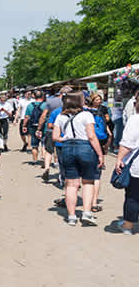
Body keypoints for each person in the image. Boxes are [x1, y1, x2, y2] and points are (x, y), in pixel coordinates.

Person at [53, 91, 104, 226]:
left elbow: (55, 137)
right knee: (88, 182)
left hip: (68, 148)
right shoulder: (87, 115)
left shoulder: (60, 117)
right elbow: (92, 136)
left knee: (71, 184)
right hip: (85, 147)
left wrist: (66, 138)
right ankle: (87, 213)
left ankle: (71, 216)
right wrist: (100, 154)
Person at [111, 98, 139, 234]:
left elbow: (127, 143)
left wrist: (119, 159)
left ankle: (128, 226)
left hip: (137, 165)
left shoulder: (135, 119)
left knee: (133, 196)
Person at [89, 92, 111, 213]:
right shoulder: (101, 110)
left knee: (86, 177)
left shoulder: (85, 112)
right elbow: (107, 126)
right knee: (96, 176)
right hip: (100, 142)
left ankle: (88, 202)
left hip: (88, 144)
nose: (98, 100)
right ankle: (94, 202)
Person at [22, 91, 47, 165]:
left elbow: (26, 117)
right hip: (43, 126)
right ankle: (43, 157)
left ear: (34, 96)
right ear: (42, 96)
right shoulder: (46, 105)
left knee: (34, 145)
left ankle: (35, 160)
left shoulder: (30, 105)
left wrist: (24, 125)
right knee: (44, 144)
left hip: (33, 126)